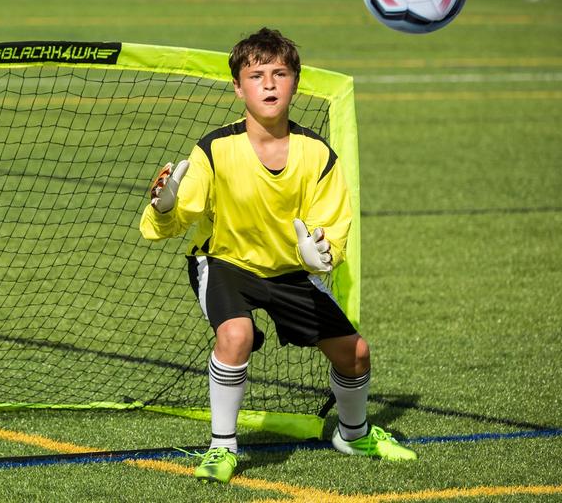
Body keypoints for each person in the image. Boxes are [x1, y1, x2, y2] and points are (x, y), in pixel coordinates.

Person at [140, 27, 416, 484]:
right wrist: (164, 206)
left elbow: (331, 235)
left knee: (356, 355)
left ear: (295, 82)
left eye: (279, 73)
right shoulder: (213, 149)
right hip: (225, 262)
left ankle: (353, 433)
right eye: (256, 75)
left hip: (288, 270)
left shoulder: (318, 155)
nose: (268, 84)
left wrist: (318, 254)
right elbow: (174, 218)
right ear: (237, 87)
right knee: (236, 334)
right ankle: (221, 447)